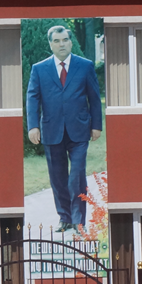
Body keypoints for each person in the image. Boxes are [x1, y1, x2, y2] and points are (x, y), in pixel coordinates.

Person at [27, 25, 102, 233]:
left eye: (65, 40)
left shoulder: (85, 66)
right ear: (50, 44)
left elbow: (94, 98)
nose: (62, 44)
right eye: (57, 41)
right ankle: (65, 218)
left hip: (79, 130)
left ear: (70, 42)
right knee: (58, 178)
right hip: (51, 131)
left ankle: (79, 221)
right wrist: (33, 126)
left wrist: (96, 126)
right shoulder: (39, 69)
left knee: (77, 175)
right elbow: (32, 98)